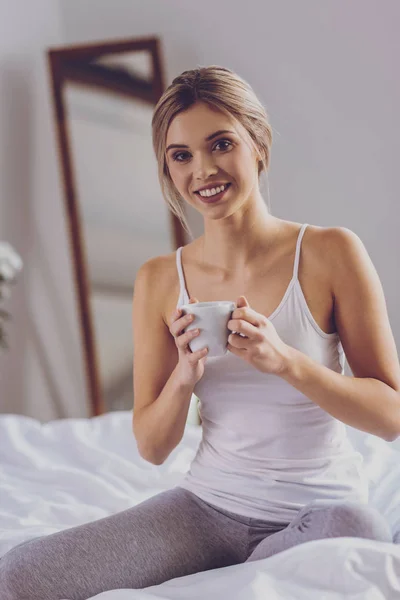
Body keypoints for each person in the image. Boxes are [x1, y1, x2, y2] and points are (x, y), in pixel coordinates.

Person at [1, 65, 397, 599]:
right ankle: (235, 575)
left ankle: (224, 580)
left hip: (319, 510)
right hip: (206, 509)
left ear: (258, 144)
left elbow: (390, 415)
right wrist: (184, 377)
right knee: (18, 574)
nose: (203, 170)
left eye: (221, 144)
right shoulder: (161, 280)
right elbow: (152, 446)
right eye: (181, 155)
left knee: (360, 530)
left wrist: (287, 362)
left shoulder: (330, 253)